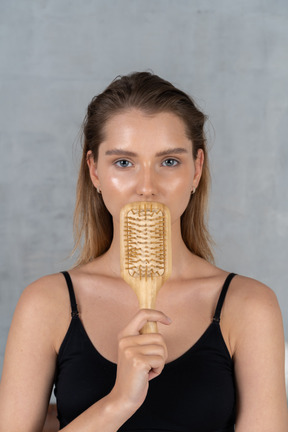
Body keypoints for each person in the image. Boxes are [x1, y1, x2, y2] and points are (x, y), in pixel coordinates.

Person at [0, 72, 287, 432]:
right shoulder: (47, 303)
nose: (147, 186)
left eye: (169, 162)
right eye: (124, 162)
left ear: (197, 169)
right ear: (95, 171)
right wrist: (118, 403)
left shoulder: (248, 305)